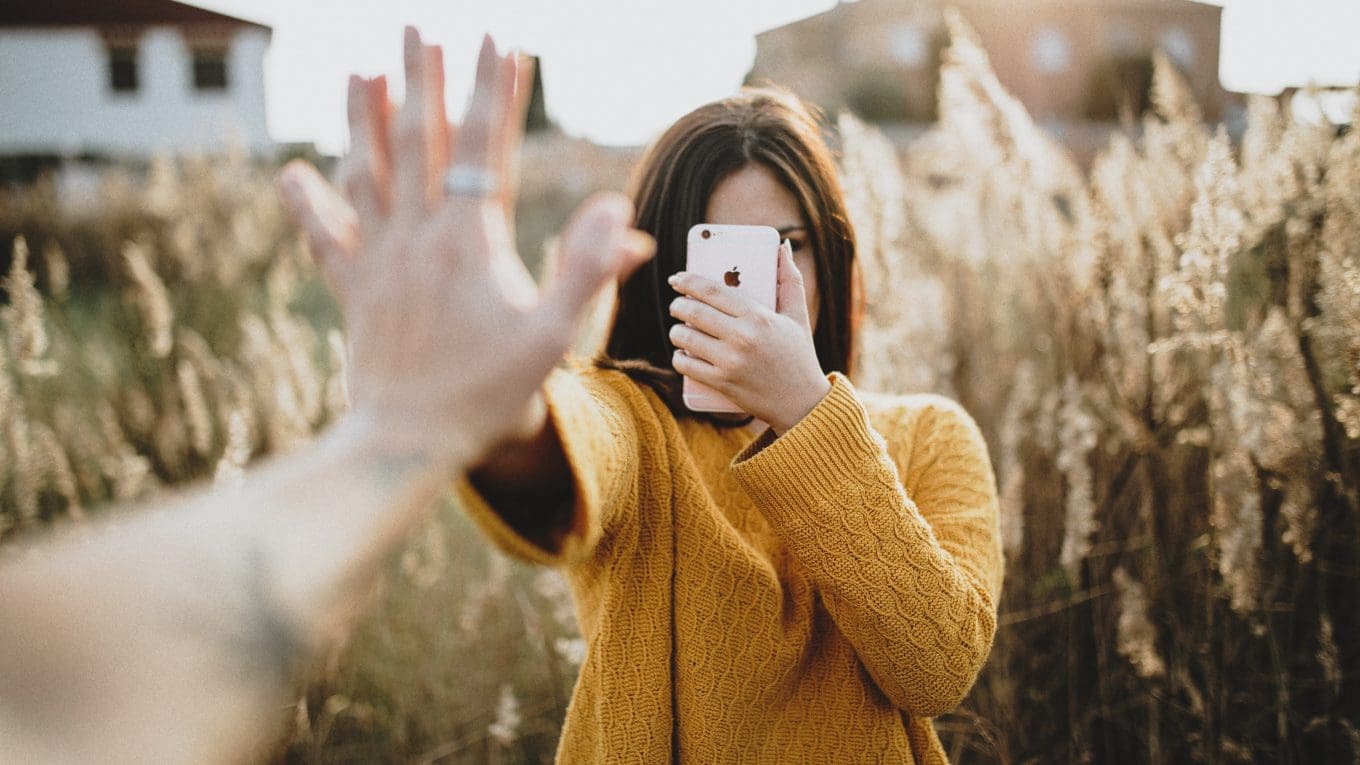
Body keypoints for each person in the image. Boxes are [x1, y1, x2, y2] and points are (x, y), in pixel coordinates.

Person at [309, 31, 1004, 765]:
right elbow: (566, 450)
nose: (759, 290)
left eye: (787, 246)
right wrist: (504, 407)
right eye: (721, 258)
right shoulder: (632, 420)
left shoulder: (929, 435)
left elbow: (938, 668)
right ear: (662, 272)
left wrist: (806, 416)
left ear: (831, 255)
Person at [0, 29, 654, 765]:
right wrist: (412, 424)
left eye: (786, 243)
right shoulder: (637, 415)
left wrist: (407, 423)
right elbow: (50, 694)